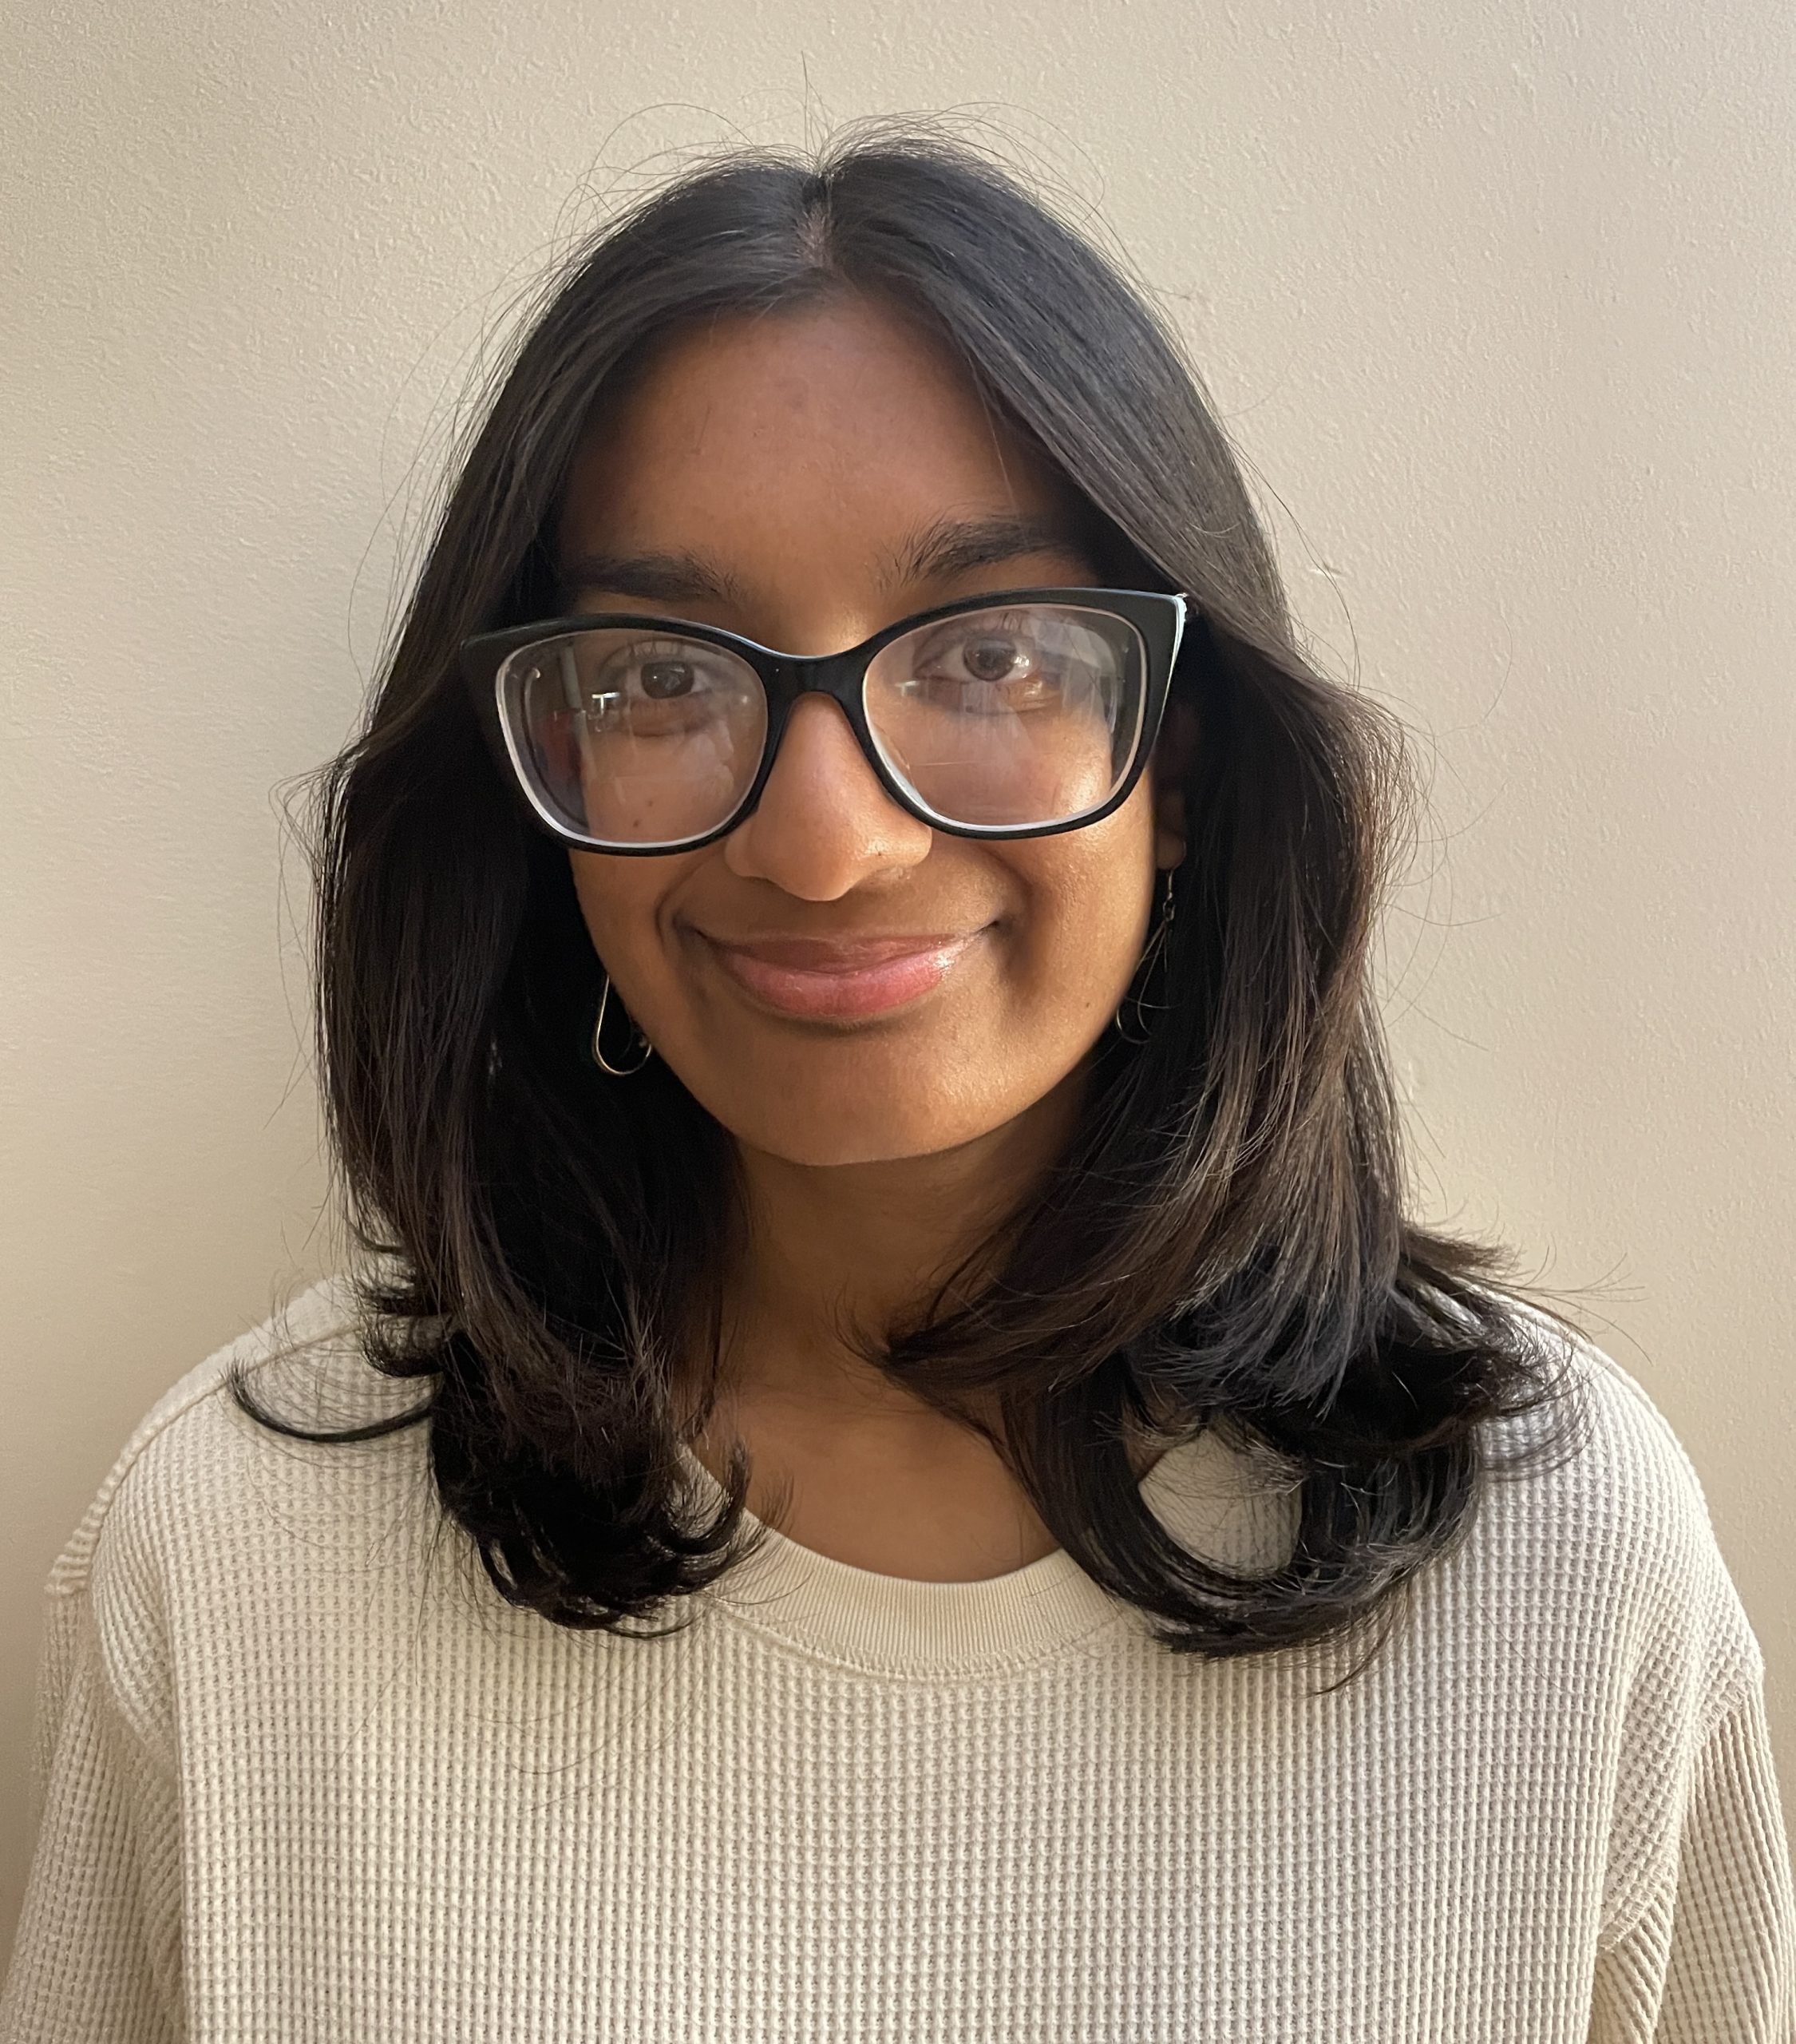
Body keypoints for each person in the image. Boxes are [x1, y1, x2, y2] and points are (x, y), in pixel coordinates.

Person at [3, 127, 1790, 2043]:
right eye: (664, 678)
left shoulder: (1556, 1558)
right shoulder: (242, 1556)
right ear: (548, 786)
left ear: (1179, 759)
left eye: (994, 651)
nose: (827, 841)